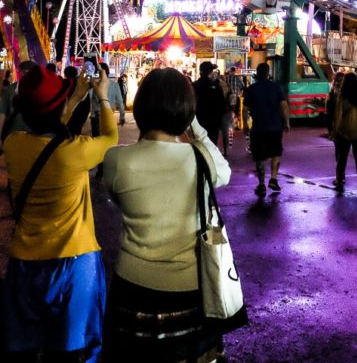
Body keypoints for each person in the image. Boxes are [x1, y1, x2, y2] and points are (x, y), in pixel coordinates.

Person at [101, 67, 239, 362]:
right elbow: (224, 173)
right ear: (187, 111)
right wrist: (197, 129)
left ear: (140, 108)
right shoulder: (200, 159)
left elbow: (115, 196)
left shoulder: (116, 160)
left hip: (132, 288)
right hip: (191, 289)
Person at [0, 62, 118, 361]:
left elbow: (45, 126)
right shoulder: (74, 150)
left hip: (25, 262)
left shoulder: (13, 145)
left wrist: (74, 97)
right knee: (72, 350)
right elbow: (110, 139)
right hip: (74, 262)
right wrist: (102, 97)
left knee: (24, 348)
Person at [244, 61, 290, 196]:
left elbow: (245, 109)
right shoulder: (276, 87)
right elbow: (283, 106)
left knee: (259, 156)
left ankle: (262, 184)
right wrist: (286, 122)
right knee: (276, 152)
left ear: (257, 74)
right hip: (275, 127)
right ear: (268, 73)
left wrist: (246, 124)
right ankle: (274, 179)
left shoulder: (252, 89)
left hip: (258, 128)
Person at [331, 71, 357, 195]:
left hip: (345, 130)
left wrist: (334, 131)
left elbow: (338, 116)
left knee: (342, 157)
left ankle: (339, 180)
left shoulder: (342, 96)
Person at [193, 60, 227, 145]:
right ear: (210, 73)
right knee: (211, 143)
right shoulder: (216, 86)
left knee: (198, 143)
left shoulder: (194, 86)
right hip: (213, 121)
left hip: (198, 121)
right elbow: (222, 105)